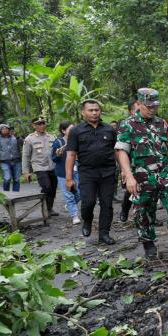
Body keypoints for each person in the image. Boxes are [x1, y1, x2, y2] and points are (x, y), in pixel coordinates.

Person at [116, 88, 168, 258]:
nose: (152, 109)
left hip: (165, 173)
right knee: (143, 212)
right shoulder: (128, 124)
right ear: (139, 103)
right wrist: (128, 176)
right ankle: (149, 245)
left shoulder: (161, 123)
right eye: (149, 106)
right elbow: (122, 151)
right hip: (141, 176)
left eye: (155, 106)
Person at [66, 100, 117, 245]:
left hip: (108, 172)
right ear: (83, 113)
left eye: (97, 110)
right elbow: (70, 155)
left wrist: (125, 172)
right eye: (91, 110)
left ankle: (104, 234)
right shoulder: (76, 131)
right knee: (88, 202)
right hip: (87, 172)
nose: (94, 112)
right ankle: (87, 221)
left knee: (107, 204)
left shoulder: (109, 129)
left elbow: (117, 151)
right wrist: (69, 178)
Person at [22, 117, 58, 217]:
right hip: (39, 167)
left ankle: (49, 209)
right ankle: (44, 209)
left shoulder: (51, 137)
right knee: (46, 187)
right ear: (34, 125)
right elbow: (25, 156)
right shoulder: (29, 139)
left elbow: (56, 152)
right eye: (38, 124)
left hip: (52, 166)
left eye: (43, 123)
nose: (41, 126)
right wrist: (26, 172)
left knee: (53, 188)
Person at [52, 121, 81, 225]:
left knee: (80, 192)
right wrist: (58, 154)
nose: (73, 131)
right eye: (70, 129)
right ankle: (74, 215)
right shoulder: (58, 142)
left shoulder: (78, 140)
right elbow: (54, 159)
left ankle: (70, 205)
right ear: (63, 131)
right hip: (63, 173)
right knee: (68, 195)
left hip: (77, 171)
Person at [119, 99, 139, 222]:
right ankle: (125, 210)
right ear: (131, 111)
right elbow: (121, 150)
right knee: (130, 190)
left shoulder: (152, 123)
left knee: (150, 191)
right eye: (137, 110)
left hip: (148, 165)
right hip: (131, 165)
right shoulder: (125, 125)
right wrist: (124, 170)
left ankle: (147, 217)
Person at [0, 124, 22, 191]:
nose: (5, 130)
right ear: (0, 130)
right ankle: (6, 194)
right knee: (7, 178)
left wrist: (18, 137)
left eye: (6, 128)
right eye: (3, 129)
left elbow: (22, 143)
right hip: (4, 162)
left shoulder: (14, 138)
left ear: (9, 130)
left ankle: (15, 195)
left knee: (16, 179)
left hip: (16, 161)